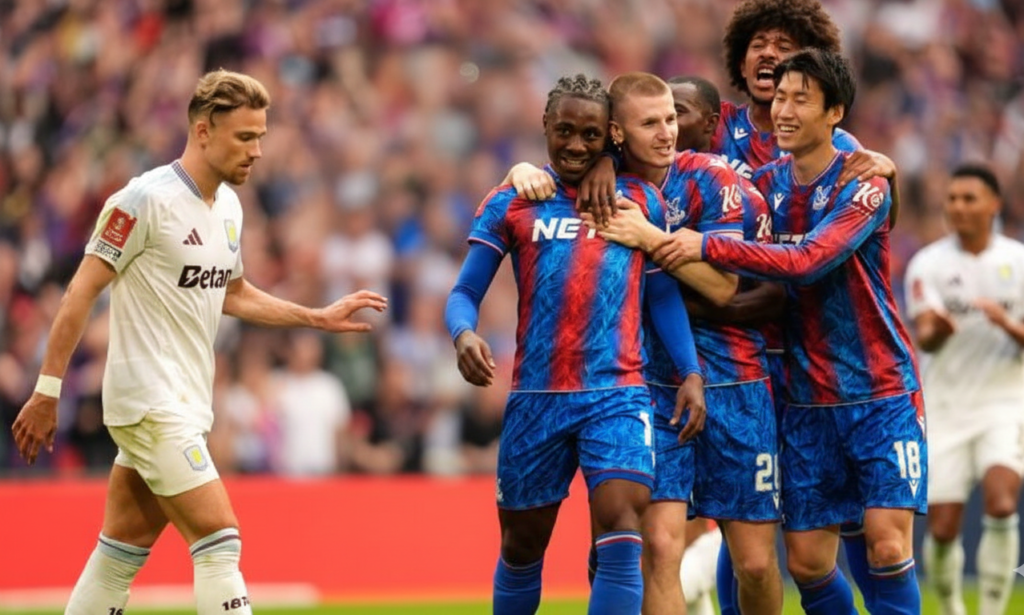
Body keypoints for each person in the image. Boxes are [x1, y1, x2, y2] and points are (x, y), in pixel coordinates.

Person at [10, 70, 388, 615]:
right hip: (149, 403)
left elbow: (233, 293)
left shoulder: (229, 207)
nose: (257, 151)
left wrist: (315, 317)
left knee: (119, 554)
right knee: (219, 538)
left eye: (261, 136)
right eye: (245, 137)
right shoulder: (142, 200)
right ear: (203, 130)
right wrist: (47, 391)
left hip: (188, 404)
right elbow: (79, 292)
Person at [654, 48, 927, 615]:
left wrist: (708, 246)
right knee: (805, 563)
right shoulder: (763, 185)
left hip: (879, 389)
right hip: (804, 398)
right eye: (780, 97)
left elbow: (807, 261)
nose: (783, 110)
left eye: (801, 99)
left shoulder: (862, 182)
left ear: (835, 113)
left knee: (885, 543)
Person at [444, 73, 706, 615]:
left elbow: (661, 296)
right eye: (565, 131)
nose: (576, 145)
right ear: (545, 125)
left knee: (622, 528)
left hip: (618, 394)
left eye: (591, 135)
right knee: (521, 547)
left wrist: (690, 372)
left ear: (609, 136)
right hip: (537, 397)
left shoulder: (640, 201)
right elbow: (465, 291)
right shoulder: (514, 201)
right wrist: (463, 333)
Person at [906, 164, 1024, 615]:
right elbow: (925, 335)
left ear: (994, 205)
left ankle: (993, 611)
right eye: (952, 198)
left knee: (1002, 502)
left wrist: (1006, 323)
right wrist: (937, 330)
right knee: (942, 527)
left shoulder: (1018, 261)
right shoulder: (928, 264)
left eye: (969, 198)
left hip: (1004, 402)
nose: (958, 206)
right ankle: (952, 608)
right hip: (945, 406)